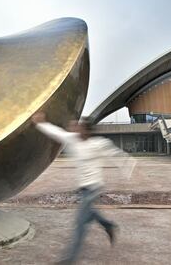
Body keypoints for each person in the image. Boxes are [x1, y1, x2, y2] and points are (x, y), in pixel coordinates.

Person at [32, 112, 126, 264]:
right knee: (90, 213)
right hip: (82, 189)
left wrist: (128, 166)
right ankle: (109, 225)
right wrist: (41, 123)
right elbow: (57, 133)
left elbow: (117, 154)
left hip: (94, 188)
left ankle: (69, 260)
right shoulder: (73, 139)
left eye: (79, 127)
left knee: (80, 223)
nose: (75, 129)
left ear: (87, 131)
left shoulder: (99, 143)